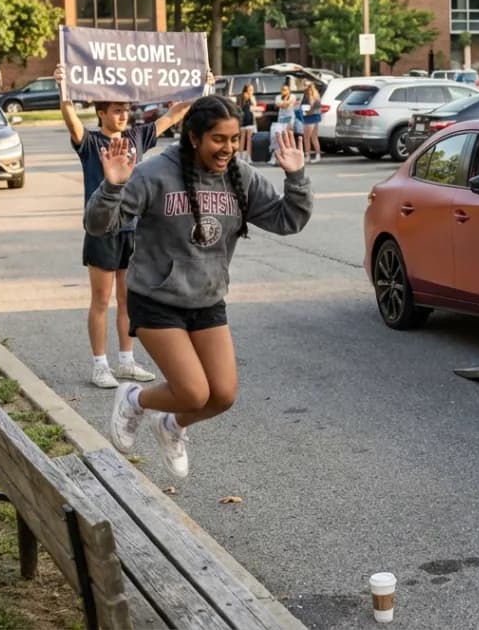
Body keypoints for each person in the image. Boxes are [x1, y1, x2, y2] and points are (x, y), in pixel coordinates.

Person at [87, 96, 313, 477]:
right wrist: (111, 187)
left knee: (222, 395)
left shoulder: (241, 177)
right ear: (193, 137)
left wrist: (296, 178)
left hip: (207, 298)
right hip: (156, 298)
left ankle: (172, 425)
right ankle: (134, 399)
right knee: (193, 392)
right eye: (218, 140)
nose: (227, 148)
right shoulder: (155, 173)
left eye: (232, 139)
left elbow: (287, 221)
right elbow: (98, 225)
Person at [57, 64, 200, 388]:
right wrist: (63, 88)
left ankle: (126, 360)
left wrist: (198, 85)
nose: (123, 116)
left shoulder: (137, 136)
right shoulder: (90, 143)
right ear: (102, 112)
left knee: (127, 299)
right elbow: (70, 118)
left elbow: (175, 114)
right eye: (117, 111)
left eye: (126, 110)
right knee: (100, 299)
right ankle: (99, 365)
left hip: (132, 230)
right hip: (102, 231)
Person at [269, 83, 297, 165]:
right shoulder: (278, 97)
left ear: (289, 91)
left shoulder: (293, 96)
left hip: (290, 117)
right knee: (278, 136)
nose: (284, 91)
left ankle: (290, 156)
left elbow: (284, 105)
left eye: (286, 90)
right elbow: (282, 105)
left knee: (288, 135)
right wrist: (285, 100)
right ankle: (276, 156)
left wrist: (284, 102)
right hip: (281, 118)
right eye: (282, 90)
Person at [301, 81, 323, 163]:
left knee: (307, 138)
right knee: (314, 137)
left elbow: (311, 106)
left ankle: (308, 156)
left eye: (305, 85)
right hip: (314, 117)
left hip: (310, 117)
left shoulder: (311, 95)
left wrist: (307, 112)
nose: (304, 87)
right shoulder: (315, 94)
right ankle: (317, 155)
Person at [238, 84, 257, 164]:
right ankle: (244, 156)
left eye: (252, 89)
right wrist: (251, 96)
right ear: (246, 89)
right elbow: (253, 104)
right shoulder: (246, 96)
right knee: (245, 138)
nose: (251, 91)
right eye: (250, 89)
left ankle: (244, 156)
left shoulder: (247, 96)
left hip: (247, 117)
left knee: (246, 138)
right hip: (246, 117)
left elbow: (254, 105)